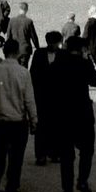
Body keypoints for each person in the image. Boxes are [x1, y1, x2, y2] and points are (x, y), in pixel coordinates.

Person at [0, 39, 38, 192]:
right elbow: (29, 99)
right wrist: (34, 119)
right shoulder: (23, 72)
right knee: (16, 157)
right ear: (17, 52)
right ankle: (12, 185)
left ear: (3, 51)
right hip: (17, 120)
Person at [53, 36, 96, 192]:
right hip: (83, 114)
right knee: (87, 151)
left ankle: (67, 189)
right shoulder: (84, 63)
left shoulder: (58, 64)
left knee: (66, 154)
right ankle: (82, 181)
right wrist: (88, 59)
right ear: (82, 49)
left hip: (64, 113)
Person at [29, 31, 63, 166]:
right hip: (41, 96)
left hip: (57, 96)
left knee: (56, 126)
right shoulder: (39, 54)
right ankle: (41, 155)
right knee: (41, 126)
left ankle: (54, 153)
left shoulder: (62, 55)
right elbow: (33, 73)